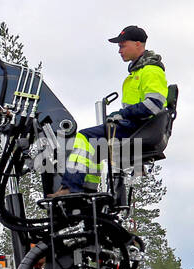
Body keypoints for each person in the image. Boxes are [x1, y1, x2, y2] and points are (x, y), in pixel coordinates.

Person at [56, 25, 169, 196]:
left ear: (138, 44)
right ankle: (89, 191)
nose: (119, 50)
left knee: (84, 137)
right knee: (94, 147)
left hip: (138, 127)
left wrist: (122, 114)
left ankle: (71, 188)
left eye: (123, 45)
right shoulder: (137, 72)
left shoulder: (151, 71)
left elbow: (154, 105)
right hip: (135, 126)